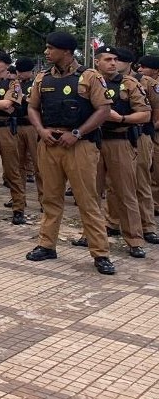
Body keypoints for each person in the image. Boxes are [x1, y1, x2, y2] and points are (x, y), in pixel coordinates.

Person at [25, 32, 115, 275]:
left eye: (50, 48)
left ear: (66, 51)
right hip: (50, 144)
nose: (46, 52)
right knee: (50, 199)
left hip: (80, 146)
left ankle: (100, 254)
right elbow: (32, 107)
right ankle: (46, 245)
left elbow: (104, 110)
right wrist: (41, 130)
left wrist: (76, 132)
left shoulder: (89, 77)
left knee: (87, 200)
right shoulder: (42, 78)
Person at [72, 46, 149, 258]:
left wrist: (121, 119)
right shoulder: (85, 82)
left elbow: (145, 115)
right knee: (90, 194)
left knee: (126, 192)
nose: (113, 63)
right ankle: (89, 235)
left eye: (115, 59)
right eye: (107, 59)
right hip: (91, 142)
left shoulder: (128, 83)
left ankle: (134, 240)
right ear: (97, 62)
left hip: (119, 141)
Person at [116, 48, 159, 245]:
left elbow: (156, 110)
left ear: (127, 63)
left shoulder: (146, 82)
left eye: (117, 60)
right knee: (114, 183)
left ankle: (148, 226)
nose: (113, 63)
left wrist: (149, 128)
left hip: (140, 135)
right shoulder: (107, 81)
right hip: (117, 138)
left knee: (142, 180)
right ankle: (113, 222)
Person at [0, 51, 26, 225]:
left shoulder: (14, 83)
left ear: (7, 65)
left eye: (0, 61)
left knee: (12, 170)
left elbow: (8, 104)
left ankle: (18, 208)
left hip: (6, 128)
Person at [13, 57, 41, 201]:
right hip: (16, 124)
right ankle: (18, 197)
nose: (19, 74)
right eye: (18, 71)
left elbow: (36, 102)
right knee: (18, 164)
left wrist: (23, 97)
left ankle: (43, 198)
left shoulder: (36, 84)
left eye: (22, 71)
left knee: (38, 163)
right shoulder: (15, 84)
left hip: (31, 126)